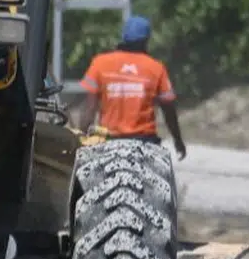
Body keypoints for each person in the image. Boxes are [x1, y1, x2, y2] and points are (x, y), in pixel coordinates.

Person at [78, 15, 187, 161]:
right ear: (146, 40)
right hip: (144, 144)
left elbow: (89, 110)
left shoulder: (100, 63)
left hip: (108, 143)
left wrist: (80, 140)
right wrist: (178, 141)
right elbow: (169, 111)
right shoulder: (156, 68)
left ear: (123, 36)